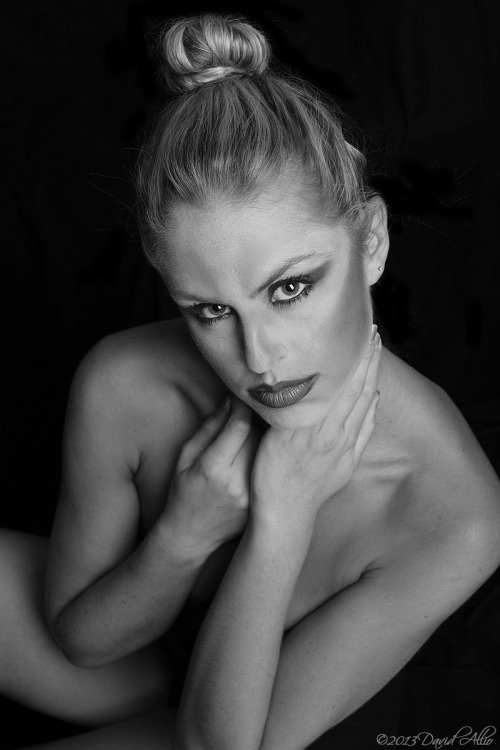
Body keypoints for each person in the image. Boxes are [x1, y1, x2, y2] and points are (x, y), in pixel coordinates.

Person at [1, 12, 499, 750]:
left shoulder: (457, 515)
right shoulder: (126, 380)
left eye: (290, 289)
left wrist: (283, 513)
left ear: (371, 241)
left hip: (265, 725)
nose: (259, 359)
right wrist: (184, 532)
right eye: (210, 310)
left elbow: (222, 745)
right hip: (150, 660)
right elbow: (81, 640)